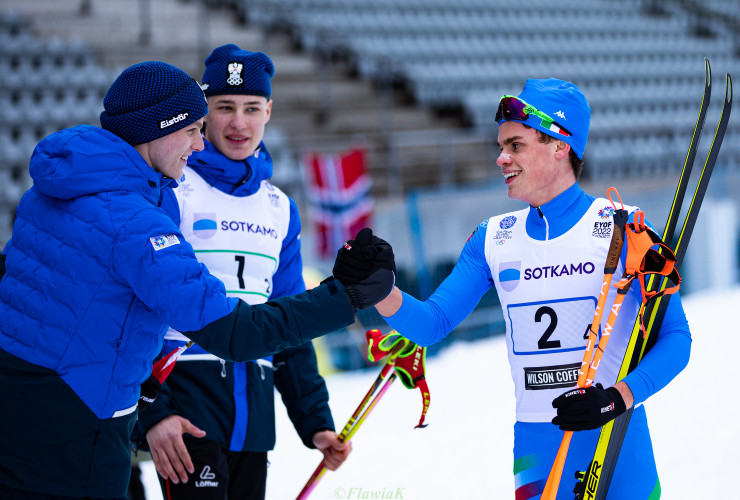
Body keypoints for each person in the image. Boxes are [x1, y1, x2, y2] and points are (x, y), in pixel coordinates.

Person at [0, 60, 395, 500]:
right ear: (157, 129)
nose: (200, 142)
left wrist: (313, 419)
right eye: (192, 129)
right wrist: (346, 296)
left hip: (23, 408)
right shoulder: (139, 221)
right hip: (81, 428)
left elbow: (26, 288)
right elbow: (235, 333)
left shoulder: (53, 191)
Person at [335, 79, 691, 499]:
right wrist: (383, 291)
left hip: (616, 436)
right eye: (501, 146)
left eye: (516, 145)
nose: (502, 157)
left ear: (560, 145)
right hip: (537, 445)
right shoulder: (493, 239)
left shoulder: (623, 228)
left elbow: (676, 339)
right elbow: (433, 324)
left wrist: (616, 398)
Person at [137, 44, 350, 499]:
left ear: (268, 111)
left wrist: (316, 423)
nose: (238, 123)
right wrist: (154, 412)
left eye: (252, 108)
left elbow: (290, 321)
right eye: (224, 107)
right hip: (185, 402)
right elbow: (134, 305)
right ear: (203, 112)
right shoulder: (173, 187)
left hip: (253, 412)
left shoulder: (279, 209)